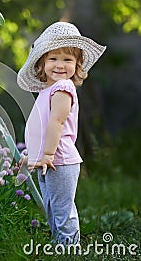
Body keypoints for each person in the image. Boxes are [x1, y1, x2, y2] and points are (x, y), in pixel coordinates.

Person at [17, 22, 106, 245]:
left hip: (59, 160)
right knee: (51, 207)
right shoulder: (47, 90)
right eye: (53, 59)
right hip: (47, 159)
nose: (60, 65)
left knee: (62, 209)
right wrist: (34, 155)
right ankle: (59, 244)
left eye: (68, 60)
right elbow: (41, 127)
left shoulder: (63, 88)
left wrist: (47, 154)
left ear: (77, 65)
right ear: (42, 62)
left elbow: (56, 122)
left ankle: (69, 248)